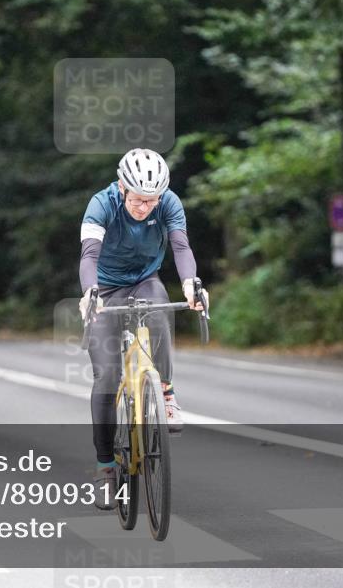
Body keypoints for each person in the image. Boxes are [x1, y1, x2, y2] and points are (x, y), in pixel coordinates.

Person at [78, 148, 208, 510]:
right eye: (137, 200)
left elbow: (181, 246)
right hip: (104, 289)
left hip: (144, 281)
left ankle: (165, 393)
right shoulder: (100, 205)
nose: (143, 208)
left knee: (159, 309)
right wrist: (90, 294)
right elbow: (88, 255)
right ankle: (105, 470)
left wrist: (190, 284)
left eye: (150, 201)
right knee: (106, 379)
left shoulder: (168, 202)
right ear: (122, 187)